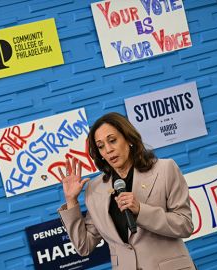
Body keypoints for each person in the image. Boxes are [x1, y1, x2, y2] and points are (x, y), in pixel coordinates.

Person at [57, 112, 196, 270]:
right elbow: (84, 246)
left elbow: (184, 225)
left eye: (112, 140)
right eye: (101, 146)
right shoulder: (94, 189)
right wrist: (71, 200)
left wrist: (140, 211)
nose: (108, 150)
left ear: (129, 139)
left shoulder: (165, 169)